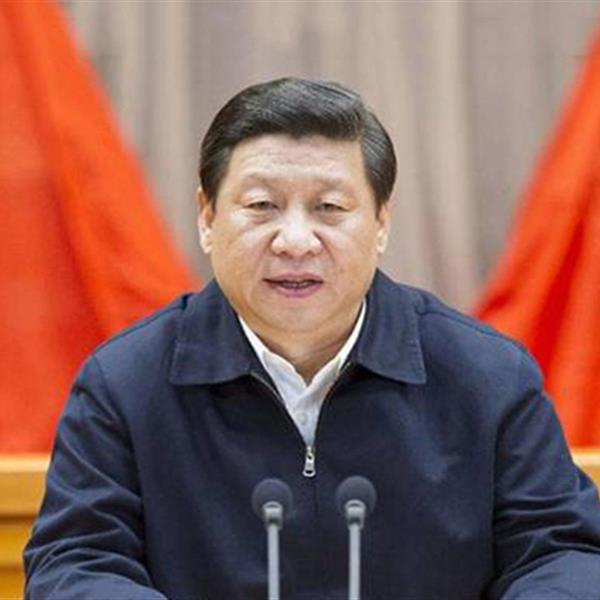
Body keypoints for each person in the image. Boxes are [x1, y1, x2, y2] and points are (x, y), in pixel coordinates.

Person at [24, 77, 600, 600]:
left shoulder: (487, 376)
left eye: (329, 207)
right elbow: (75, 563)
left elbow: (563, 552)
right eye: (261, 206)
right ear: (207, 217)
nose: (295, 241)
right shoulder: (125, 384)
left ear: (380, 223)